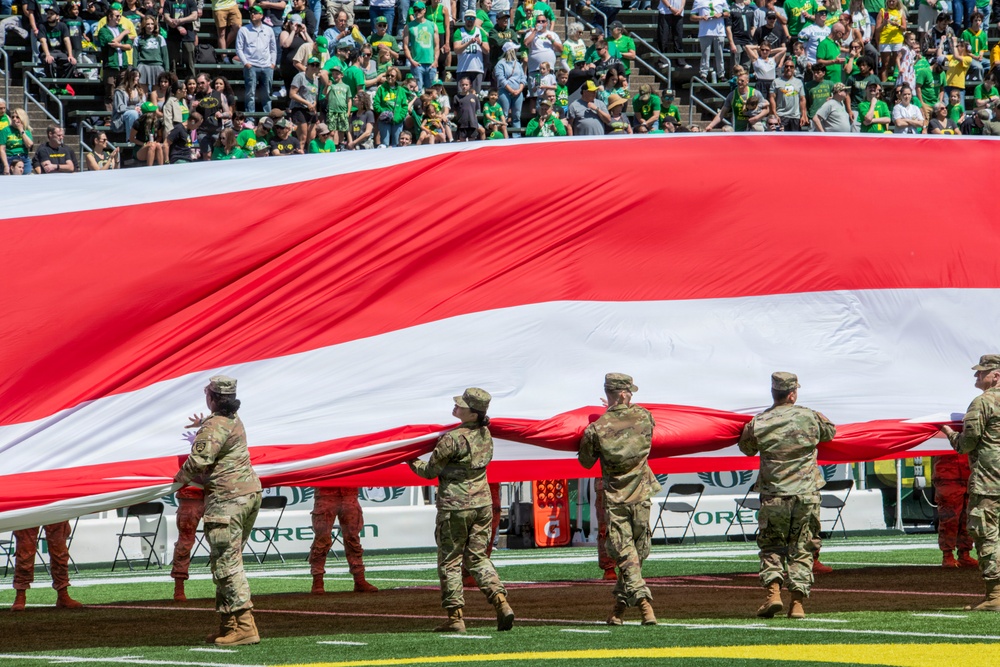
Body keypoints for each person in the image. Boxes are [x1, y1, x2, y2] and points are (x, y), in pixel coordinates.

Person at [407, 388, 515, 633]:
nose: (456, 406)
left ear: (473, 413)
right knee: (478, 558)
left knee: (450, 561)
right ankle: (501, 603)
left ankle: (455, 618)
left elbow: (429, 471)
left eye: (462, 405)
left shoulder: (452, 439)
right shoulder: (486, 434)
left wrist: (409, 458)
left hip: (455, 507)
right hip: (482, 504)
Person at [738, 372, 836, 620]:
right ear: (793, 393)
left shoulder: (759, 422)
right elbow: (830, 434)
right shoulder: (809, 416)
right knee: (802, 548)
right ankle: (797, 604)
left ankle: (772, 595)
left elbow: (746, 448)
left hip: (774, 495)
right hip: (806, 496)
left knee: (772, 546)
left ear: (774, 393)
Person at [173, 375, 262, 645]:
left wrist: (177, 480)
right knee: (227, 558)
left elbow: (200, 459)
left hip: (227, 499)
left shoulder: (215, 424)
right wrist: (203, 424)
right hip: (247, 495)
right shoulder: (233, 419)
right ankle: (229, 625)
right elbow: (219, 431)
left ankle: (245, 627)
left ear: (211, 397)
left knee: (226, 563)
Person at [578, 373, 659, 626]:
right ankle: (620, 609)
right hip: (641, 496)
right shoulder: (644, 417)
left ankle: (643, 603)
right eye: (630, 392)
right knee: (635, 554)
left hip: (615, 498)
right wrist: (618, 411)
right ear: (624, 394)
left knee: (626, 555)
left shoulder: (597, 428)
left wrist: (606, 417)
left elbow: (585, 461)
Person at [940, 355, 1000, 611]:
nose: (976, 377)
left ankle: (995, 595)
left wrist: (949, 433)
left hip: (990, 481)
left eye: (981, 373)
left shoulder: (983, 402)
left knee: (986, 534)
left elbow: (967, 443)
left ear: (996, 375)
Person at [308, 487, 379, 594]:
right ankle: (317, 581)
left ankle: (359, 580)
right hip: (326, 493)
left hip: (349, 494)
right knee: (322, 538)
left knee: (353, 538)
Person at [9, 522, 82, 611]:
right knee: (25, 549)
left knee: (59, 549)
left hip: (53, 510)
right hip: (30, 511)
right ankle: (20, 595)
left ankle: (63, 593)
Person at [933, 452, 977, 568]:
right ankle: (947, 555)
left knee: (968, 517)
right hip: (948, 476)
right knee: (949, 518)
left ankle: (964, 554)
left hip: (968, 474)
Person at [236, 6, 278, 115]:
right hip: (251, 66)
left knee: (267, 94)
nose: (252, 14)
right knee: (250, 94)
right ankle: (250, 118)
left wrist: (272, 63)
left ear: (261, 15)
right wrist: (246, 63)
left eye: (255, 12)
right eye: (251, 12)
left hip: (267, 66)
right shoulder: (243, 30)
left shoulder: (269, 30)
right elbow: (239, 48)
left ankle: (267, 117)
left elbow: (273, 48)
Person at [171, 483, 205, 601]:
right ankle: (179, 588)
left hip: (217, 495)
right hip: (191, 495)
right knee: (185, 543)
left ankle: (226, 586)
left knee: (223, 542)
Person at [403, 1, 438, 91]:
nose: (417, 12)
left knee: (430, 91)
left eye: (419, 10)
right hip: (417, 63)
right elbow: (405, 46)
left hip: (430, 63)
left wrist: (435, 61)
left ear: (424, 10)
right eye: (415, 10)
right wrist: (411, 60)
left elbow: (437, 45)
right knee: (417, 90)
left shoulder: (432, 25)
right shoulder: (409, 26)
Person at [770, 58, 807, 130]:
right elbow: (772, 98)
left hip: (795, 116)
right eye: (786, 66)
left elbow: (802, 99)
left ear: (794, 69)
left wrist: (803, 115)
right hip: (781, 116)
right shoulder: (776, 81)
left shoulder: (799, 82)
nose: (789, 68)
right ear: (784, 68)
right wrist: (775, 114)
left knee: (795, 140)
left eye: (791, 66)